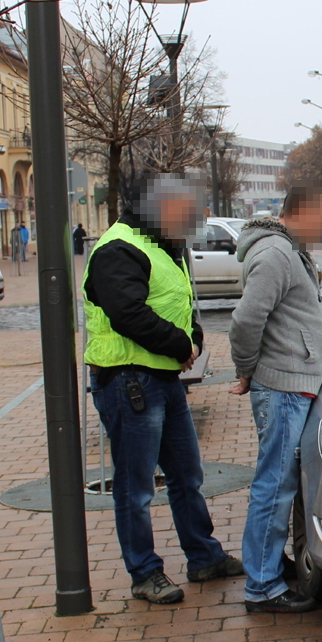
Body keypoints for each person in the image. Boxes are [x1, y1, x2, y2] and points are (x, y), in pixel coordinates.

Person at [84, 174, 242, 605]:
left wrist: (195, 339)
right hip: (128, 380)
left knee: (186, 475)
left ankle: (204, 557)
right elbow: (128, 314)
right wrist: (180, 345)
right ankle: (144, 572)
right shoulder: (118, 248)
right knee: (135, 487)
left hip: (164, 379)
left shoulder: (161, 245)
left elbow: (179, 303)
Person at [227, 184, 322, 613]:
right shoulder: (276, 253)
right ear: (302, 213)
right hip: (283, 386)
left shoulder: (288, 249)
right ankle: (263, 587)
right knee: (274, 485)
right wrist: (246, 368)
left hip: (292, 382)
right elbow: (245, 320)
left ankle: (269, 564)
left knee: (280, 482)